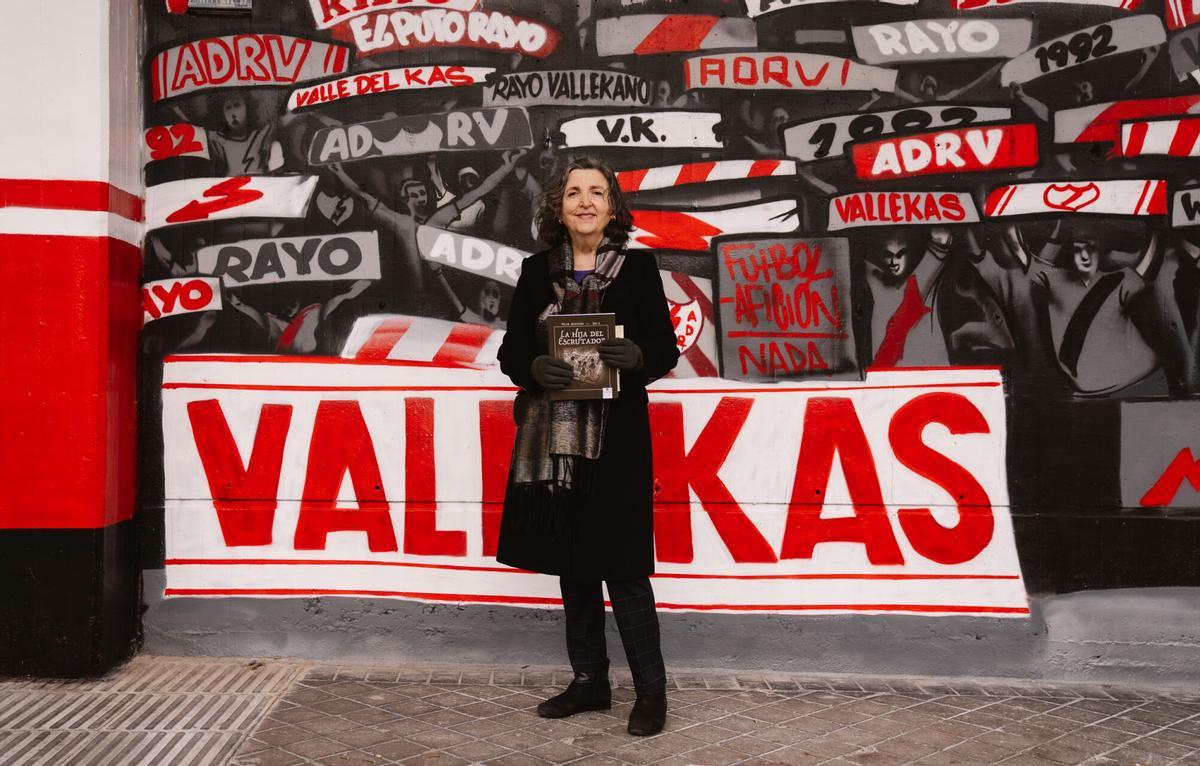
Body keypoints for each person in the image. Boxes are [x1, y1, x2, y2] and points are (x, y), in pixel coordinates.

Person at [495, 157, 680, 737]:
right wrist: (534, 367)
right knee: (572, 566)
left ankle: (651, 694)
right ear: (559, 206)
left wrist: (639, 358)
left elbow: (666, 350)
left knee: (624, 569)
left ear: (612, 208)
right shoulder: (533, 272)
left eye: (596, 192)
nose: (584, 201)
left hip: (618, 440)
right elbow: (509, 355)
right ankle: (590, 683)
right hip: (552, 440)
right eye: (573, 192)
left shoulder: (640, 270)